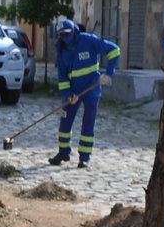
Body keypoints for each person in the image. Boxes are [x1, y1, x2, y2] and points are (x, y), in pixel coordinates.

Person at [48, 18, 120, 168]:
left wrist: (109, 73)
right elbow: (62, 75)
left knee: (88, 124)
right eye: (61, 35)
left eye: (67, 34)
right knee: (65, 122)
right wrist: (68, 94)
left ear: (74, 31)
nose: (65, 37)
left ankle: (84, 157)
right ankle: (63, 152)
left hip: (91, 89)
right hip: (72, 92)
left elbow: (114, 50)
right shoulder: (61, 50)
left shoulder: (89, 41)